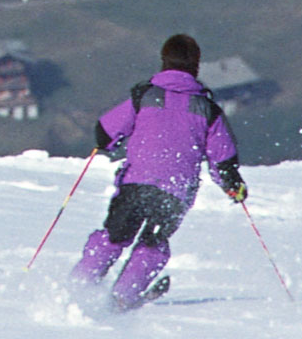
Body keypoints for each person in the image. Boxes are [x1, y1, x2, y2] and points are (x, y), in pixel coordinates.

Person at [74, 33, 246, 312]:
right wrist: (233, 187)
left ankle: (80, 284)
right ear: (196, 66)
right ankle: (123, 296)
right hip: (174, 193)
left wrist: (105, 143)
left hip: (135, 185)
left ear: (164, 62)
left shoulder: (145, 96)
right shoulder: (208, 110)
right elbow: (224, 161)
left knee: (114, 236)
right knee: (153, 244)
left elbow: (104, 131)